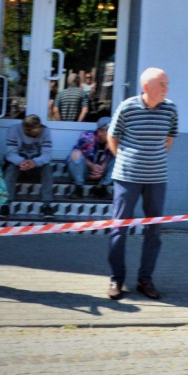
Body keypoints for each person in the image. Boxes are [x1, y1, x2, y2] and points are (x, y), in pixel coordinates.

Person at [106, 68, 178, 300]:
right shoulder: (127, 107)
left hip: (157, 179)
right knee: (119, 229)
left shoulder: (170, 109)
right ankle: (116, 279)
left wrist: (152, 160)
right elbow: (112, 136)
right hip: (127, 178)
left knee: (154, 231)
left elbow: (169, 138)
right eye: (162, 84)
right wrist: (125, 161)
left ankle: (145, 279)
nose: (167, 89)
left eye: (167, 84)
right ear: (147, 87)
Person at [0, 114, 54, 221]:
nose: (37, 134)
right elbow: (10, 153)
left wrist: (35, 162)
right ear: (25, 129)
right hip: (19, 164)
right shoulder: (14, 130)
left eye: (38, 132)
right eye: (33, 133)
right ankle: (5, 204)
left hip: (36, 164)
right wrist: (20, 162)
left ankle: (47, 205)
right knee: (10, 168)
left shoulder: (45, 131)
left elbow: (47, 155)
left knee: (47, 168)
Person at [66, 116, 115, 199]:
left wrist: (102, 167)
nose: (112, 134)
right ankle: (79, 188)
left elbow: (110, 156)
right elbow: (77, 154)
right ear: (100, 132)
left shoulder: (113, 140)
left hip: (100, 172)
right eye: (109, 131)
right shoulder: (87, 136)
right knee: (75, 154)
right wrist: (92, 166)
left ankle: (103, 187)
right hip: (83, 171)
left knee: (119, 157)